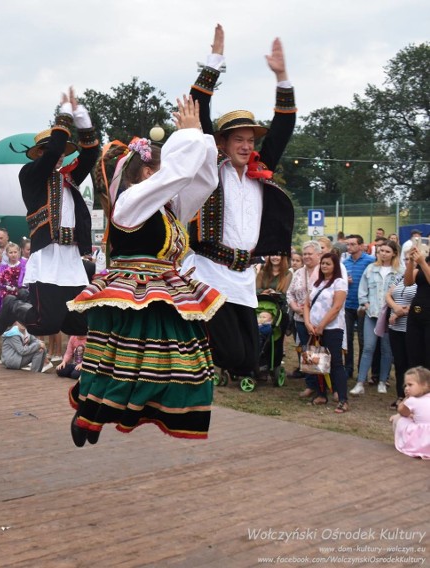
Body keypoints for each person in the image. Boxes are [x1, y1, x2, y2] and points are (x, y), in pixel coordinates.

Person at [68, 94, 223, 445]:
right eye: (154, 169)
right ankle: (89, 416)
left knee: (168, 370)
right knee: (120, 368)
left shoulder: (169, 209)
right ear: (144, 175)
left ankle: (98, 415)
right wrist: (187, 135)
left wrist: (200, 136)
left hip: (162, 295)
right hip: (134, 294)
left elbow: (203, 181)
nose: (161, 175)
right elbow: (179, 171)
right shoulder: (130, 204)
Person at [184, 25, 296, 382]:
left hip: (244, 277)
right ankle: (181, 339)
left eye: (250, 140)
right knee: (231, 355)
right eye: (239, 140)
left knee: (248, 362)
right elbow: (199, 108)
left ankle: (188, 341)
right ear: (223, 142)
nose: (247, 146)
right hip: (209, 271)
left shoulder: (259, 171)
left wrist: (282, 77)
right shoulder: (210, 168)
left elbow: (284, 126)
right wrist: (214, 60)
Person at [0, 86, 100, 339]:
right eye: (55, 152)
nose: (60, 157)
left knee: (80, 325)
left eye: (63, 153)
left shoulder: (69, 178)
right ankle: (13, 305)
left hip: (72, 258)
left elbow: (91, 153)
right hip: (48, 257)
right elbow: (53, 150)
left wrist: (80, 115)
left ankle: (28, 304)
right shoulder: (30, 175)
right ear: (39, 154)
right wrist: (64, 114)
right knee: (46, 325)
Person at [350, 240, 402, 395]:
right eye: (381, 251)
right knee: (368, 347)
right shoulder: (371, 268)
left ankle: (382, 381)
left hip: (389, 316)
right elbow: (363, 290)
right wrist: (365, 304)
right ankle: (360, 382)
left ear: (394, 253)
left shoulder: (400, 271)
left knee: (387, 350)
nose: (383, 254)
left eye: (387, 251)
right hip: (371, 315)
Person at [303, 251, 349, 412]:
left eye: (328, 264)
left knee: (335, 363)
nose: (324, 266)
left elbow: (336, 307)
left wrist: (322, 325)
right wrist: (308, 323)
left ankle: (343, 399)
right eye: (322, 263)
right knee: (317, 362)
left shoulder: (339, 283)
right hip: (314, 329)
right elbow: (307, 304)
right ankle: (321, 394)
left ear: (335, 266)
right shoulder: (317, 283)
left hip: (332, 328)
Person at [287, 241, 322, 383]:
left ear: (319, 255)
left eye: (310, 254)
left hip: (319, 319)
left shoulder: (323, 270)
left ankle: (323, 384)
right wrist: (295, 308)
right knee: (306, 350)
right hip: (300, 318)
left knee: (319, 351)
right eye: (305, 254)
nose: (306, 256)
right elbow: (290, 293)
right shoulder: (298, 273)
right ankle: (310, 383)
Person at [343, 234, 376, 378]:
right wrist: (345, 281)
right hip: (348, 305)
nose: (349, 247)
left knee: (363, 340)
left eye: (352, 244)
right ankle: (348, 368)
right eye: (348, 244)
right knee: (347, 338)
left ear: (361, 246)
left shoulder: (371, 261)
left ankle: (362, 370)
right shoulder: (345, 263)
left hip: (364, 306)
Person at [385, 275, 417, 409]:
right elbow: (388, 295)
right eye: (406, 258)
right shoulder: (400, 277)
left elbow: (420, 301)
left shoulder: (422, 277)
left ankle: (413, 397)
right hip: (395, 327)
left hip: (412, 326)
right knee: (399, 362)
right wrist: (395, 307)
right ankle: (401, 394)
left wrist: (400, 313)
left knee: (412, 363)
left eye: (411, 258)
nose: (408, 261)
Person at [390, 366, 430, 459]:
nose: (406, 388)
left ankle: (402, 442)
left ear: (425, 385)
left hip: (420, 442)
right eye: (405, 385)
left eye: (410, 385)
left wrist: (406, 398)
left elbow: (401, 411)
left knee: (398, 418)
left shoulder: (412, 401)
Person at [404, 245, 430, 369]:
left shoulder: (424, 262)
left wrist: (422, 263)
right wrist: (411, 261)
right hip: (416, 314)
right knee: (414, 353)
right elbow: (408, 282)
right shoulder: (423, 262)